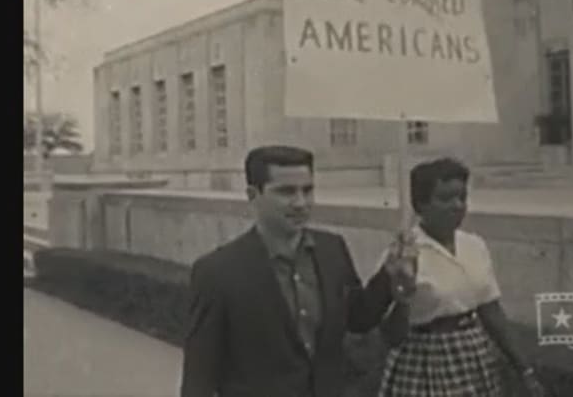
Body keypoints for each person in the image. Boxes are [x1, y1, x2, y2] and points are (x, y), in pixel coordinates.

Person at [180, 145, 412, 397]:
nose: (301, 203)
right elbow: (199, 378)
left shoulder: (332, 250)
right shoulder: (217, 272)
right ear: (252, 194)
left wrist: (389, 276)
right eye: (286, 192)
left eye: (307, 190)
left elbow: (358, 318)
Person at [376, 157, 545, 397]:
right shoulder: (403, 255)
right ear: (421, 204)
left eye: (462, 197)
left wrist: (524, 369)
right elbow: (391, 335)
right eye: (445, 198)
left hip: (471, 356)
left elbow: (491, 312)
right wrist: (403, 295)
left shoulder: (474, 246)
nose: (457, 205)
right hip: (424, 360)